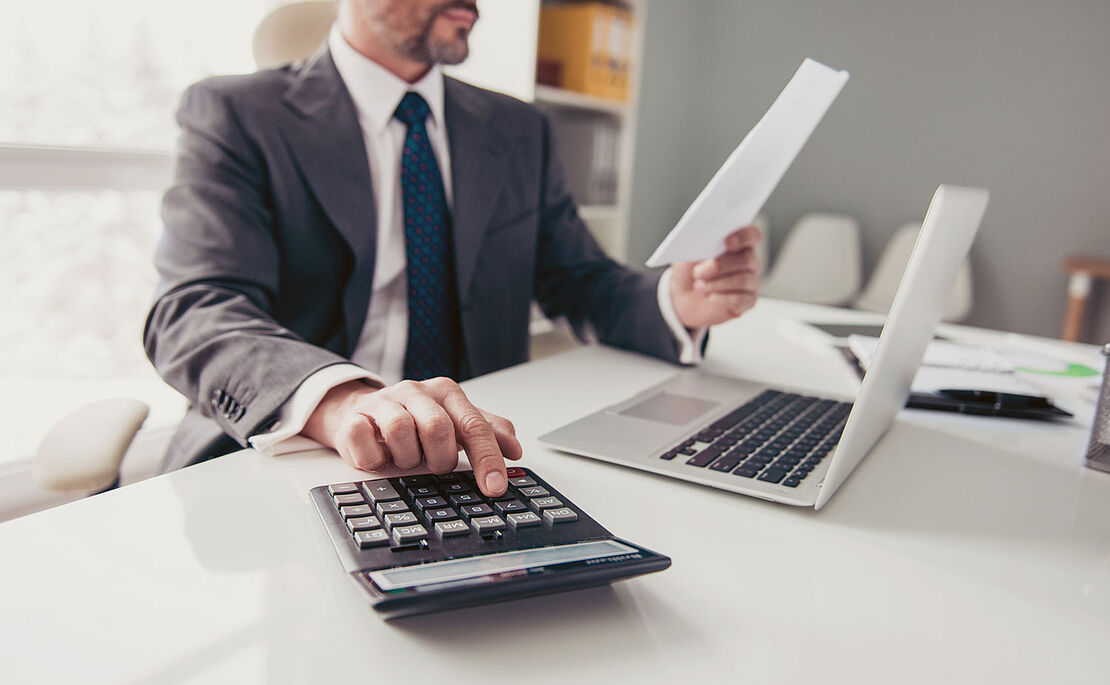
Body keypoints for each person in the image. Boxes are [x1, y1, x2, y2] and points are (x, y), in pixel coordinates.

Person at [144, 0, 762, 497]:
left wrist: (675, 302)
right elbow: (194, 308)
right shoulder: (237, 114)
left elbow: (577, 278)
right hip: (284, 452)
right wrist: (340, 400)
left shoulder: (518, 130)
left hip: (474, 459)